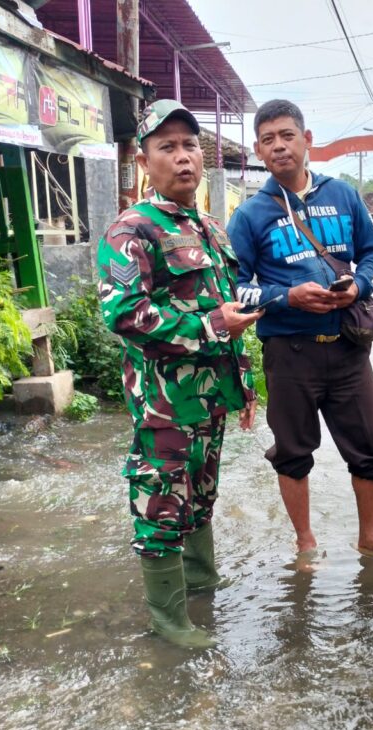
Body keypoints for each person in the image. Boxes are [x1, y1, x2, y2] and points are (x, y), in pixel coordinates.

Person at [97, 99, 261, 648]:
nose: (183, 157)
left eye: (190, 145)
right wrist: (213, 326)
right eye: (167, 147)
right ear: (145, 161)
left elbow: (229, 307)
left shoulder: (208, 227)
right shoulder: (131, 229)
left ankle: (200, 583)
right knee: (162, 501)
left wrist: (245, 385)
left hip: (211, 400)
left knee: (202, 497)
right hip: (164, 404)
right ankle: (168, 620)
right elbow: (125, 314)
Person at [226, 99, 373, 556]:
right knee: (293, 453)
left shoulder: (344, 195)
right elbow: (235, 289)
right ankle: (305, 543)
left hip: (348, 349)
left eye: (287, 136)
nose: (279, 147)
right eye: (268, 140)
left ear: (307, 140)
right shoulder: (250, 215)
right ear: (259, 151)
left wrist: (357, 286)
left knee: (372, 448)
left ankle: (370, 539)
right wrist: (285, 297)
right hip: (288, 353)